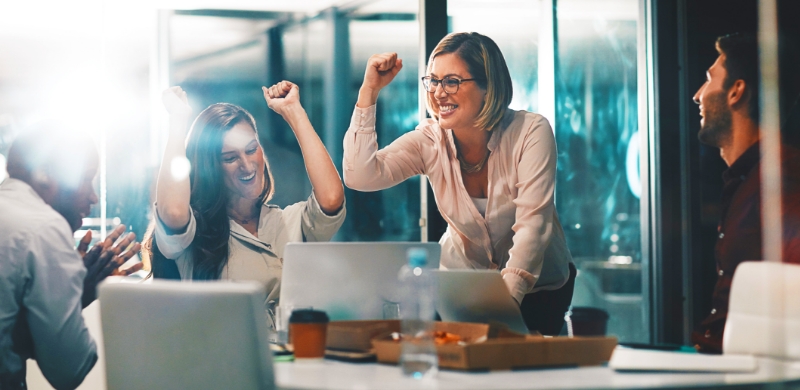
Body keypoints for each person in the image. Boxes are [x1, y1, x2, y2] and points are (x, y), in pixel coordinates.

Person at [343, 32, 575, 335]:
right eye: (433, 81)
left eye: (452, 81)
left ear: (487, 87)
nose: (439, 93)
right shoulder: (429, 140)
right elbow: (360, 175)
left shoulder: (530, 131)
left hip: (539, 288)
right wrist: (369, 91)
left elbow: (533, 226)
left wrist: (502, 307)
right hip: (464, 286)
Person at [146, 82, 345, 326]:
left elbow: (332, 197)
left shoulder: (288, 221)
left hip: (296, 360)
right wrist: (178, 122)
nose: (247, 165)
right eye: (230, 158)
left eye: (251, 150)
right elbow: (174, 211)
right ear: (210, 167)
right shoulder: (195, 232)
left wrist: (294, 111)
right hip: (227, 361)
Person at [0, 129, 141, 389]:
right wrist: (76, 294)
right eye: (86, 178)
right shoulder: (44, 227)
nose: (93, 196)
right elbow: (70, 371)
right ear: (44, 175)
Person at [690, 33, 800, 353]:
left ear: (736, 91)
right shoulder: (750, 178)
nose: (698, 95)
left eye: (710, 79)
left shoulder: (782, 178)